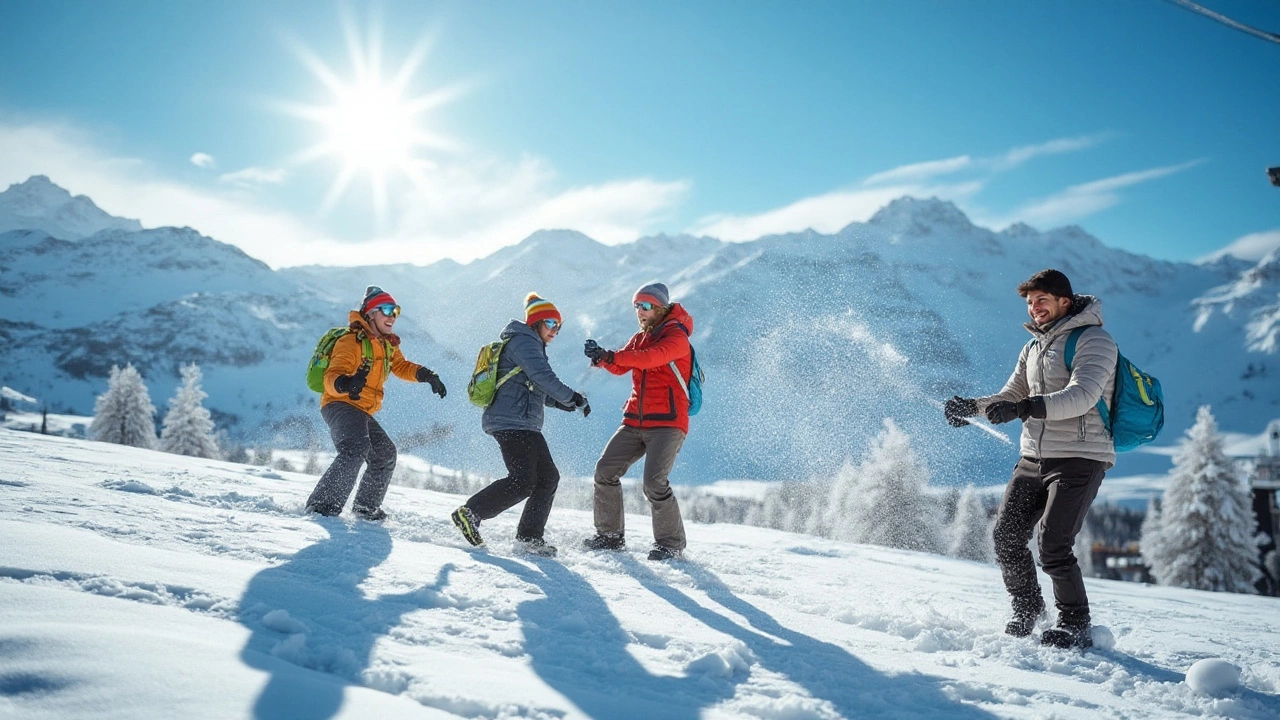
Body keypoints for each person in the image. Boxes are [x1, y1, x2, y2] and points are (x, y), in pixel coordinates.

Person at [944, 269, 1117, 649]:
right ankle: (1028, 609)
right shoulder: (1034, 348)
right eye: (1029, 302)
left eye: (1041, 301)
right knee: (1006, 537)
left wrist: (1027, 407)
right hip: (1033, 458)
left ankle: (1075, 623)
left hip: (1079, 456)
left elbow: (1082, 395)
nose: (1034, 308)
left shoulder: (1095, 340)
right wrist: (971, 407)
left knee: (1054, 544)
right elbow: (1011, 394)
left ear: (1064, 302)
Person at [450, 293, 590, 557]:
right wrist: (572, 396)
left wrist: (565, 403)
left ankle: (529, 537)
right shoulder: (524, 342)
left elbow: (534, 386)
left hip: (522, 422)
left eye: (559, 326)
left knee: (547, 477)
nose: (555, 330)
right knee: (524, 480)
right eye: (550, 323)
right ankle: (470, 513)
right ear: (536, 322)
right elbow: (542, 376)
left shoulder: (529, 344)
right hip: (511, 421)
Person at [305, 286, 447, 520]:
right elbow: (332, 376)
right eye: (387, 310)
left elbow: (401, 366)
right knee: (355, 448)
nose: (393, 316)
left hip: (361, 410)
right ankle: (321, 505)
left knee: (384, 453)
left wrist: (426, 375)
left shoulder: (387, 344)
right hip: (339, 404)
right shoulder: (351, 342)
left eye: (396, 311)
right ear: (371, 313)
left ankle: (365, 508)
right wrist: (346, 383)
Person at [582, 282, 694, 562]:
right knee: (604, 471)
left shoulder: (677, 336)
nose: (639, 311)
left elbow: (650, 359)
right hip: (635, 420)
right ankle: (609, 536)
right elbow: (623, 365)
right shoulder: (639, 337)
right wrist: (602, 357)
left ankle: (670, 545)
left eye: (645, 306)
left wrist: (612, 356)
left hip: (668, 422)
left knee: (654, 483)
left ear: (661, 308)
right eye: (636, 306)